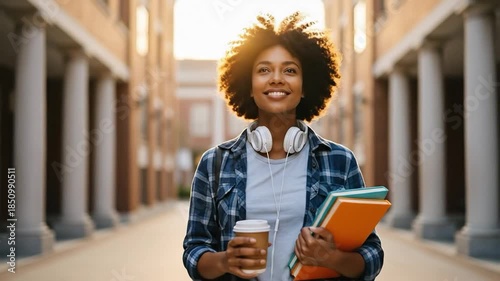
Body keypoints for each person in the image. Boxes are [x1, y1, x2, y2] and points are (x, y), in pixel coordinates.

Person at [183, 12, 384, 281]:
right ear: (249, 86)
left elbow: (372, 255)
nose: (276, 78)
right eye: (263, 70)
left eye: (290, 70)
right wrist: (225, 261)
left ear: (305, 86)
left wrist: (332, 259)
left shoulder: (339, 160)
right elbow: (194, 251)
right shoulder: (215, 163)